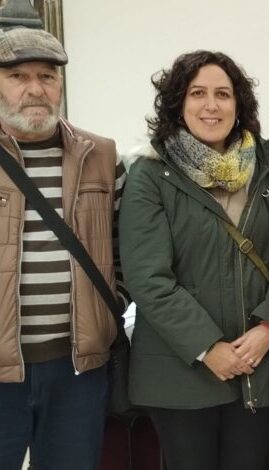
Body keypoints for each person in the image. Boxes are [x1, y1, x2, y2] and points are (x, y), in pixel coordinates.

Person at [118, 50, 269, 470]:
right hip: (181, 372)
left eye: (223, 94)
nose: (211, 105)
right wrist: (208, 348)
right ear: (177, 104)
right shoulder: (151, 175)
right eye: (197, 93)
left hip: (260, 365)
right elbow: (148, 278)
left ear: (238, 104)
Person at [0, 27, 127, 470]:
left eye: (47, 76)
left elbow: (125, 249)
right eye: (18, 76)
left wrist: (109, 306)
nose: (35, 89)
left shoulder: (103, 157)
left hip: (77, 370)